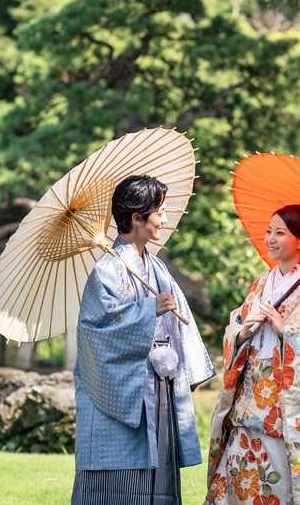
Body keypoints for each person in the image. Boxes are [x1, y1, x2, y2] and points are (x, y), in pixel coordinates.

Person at [72, 174, 215, 505]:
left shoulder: (157, 268)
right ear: (137, 217)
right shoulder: (107, 270)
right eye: (159, 212)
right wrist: (149, 309)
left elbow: (180, 321)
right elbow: (95, 331)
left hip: (160, 383)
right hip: (125, 387)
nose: (164, 218)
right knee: (121, 472)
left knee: (159, 470)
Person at [204, 205, 300, 505]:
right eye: (269, 231)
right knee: (241, 482)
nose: (270, 238)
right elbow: (235, 326)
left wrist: (287, 333)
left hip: (286, 409)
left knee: (280, 485)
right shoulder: (260, 285)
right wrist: (243, 333)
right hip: (248, 399)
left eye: (280, 233)